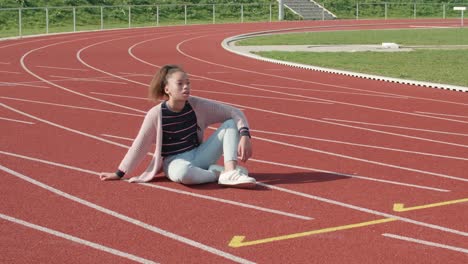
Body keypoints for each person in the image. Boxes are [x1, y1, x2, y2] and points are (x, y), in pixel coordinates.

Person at [99, 64, 256, 188]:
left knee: (230, 124)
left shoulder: (197, 105)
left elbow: (234, 112)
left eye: (188, 83)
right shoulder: (156, 114)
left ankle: (229, 171)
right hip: (174, 162)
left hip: (199, 154)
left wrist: (245, 135)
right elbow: (140, 145)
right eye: (180, 84)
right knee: (184, 174)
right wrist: (119, 173)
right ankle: (217, 174)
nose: (186, 87)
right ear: (167, 89)